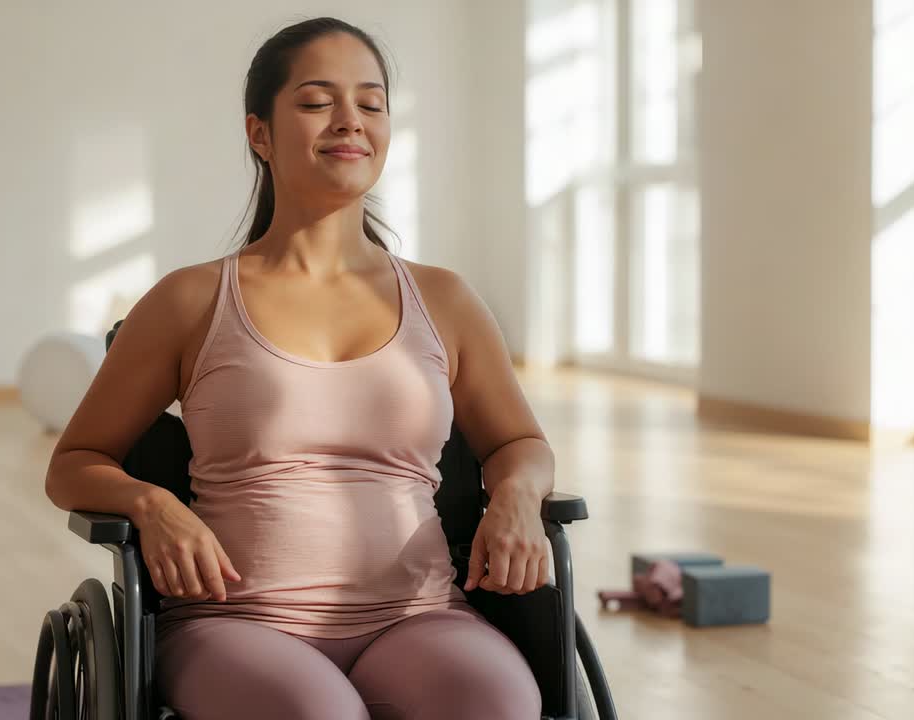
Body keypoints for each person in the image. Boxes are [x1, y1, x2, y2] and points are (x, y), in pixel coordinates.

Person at [45, 16, 556, 720]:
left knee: (499, 699)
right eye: (318, 102)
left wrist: (519, 498)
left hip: (417, 616)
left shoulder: (445, 300)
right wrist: (151, 504)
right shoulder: (191, 300)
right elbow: (74, 461)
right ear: (260, 133)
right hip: (237, 624)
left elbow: (517, 443)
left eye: (371, 103)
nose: (350, 121)